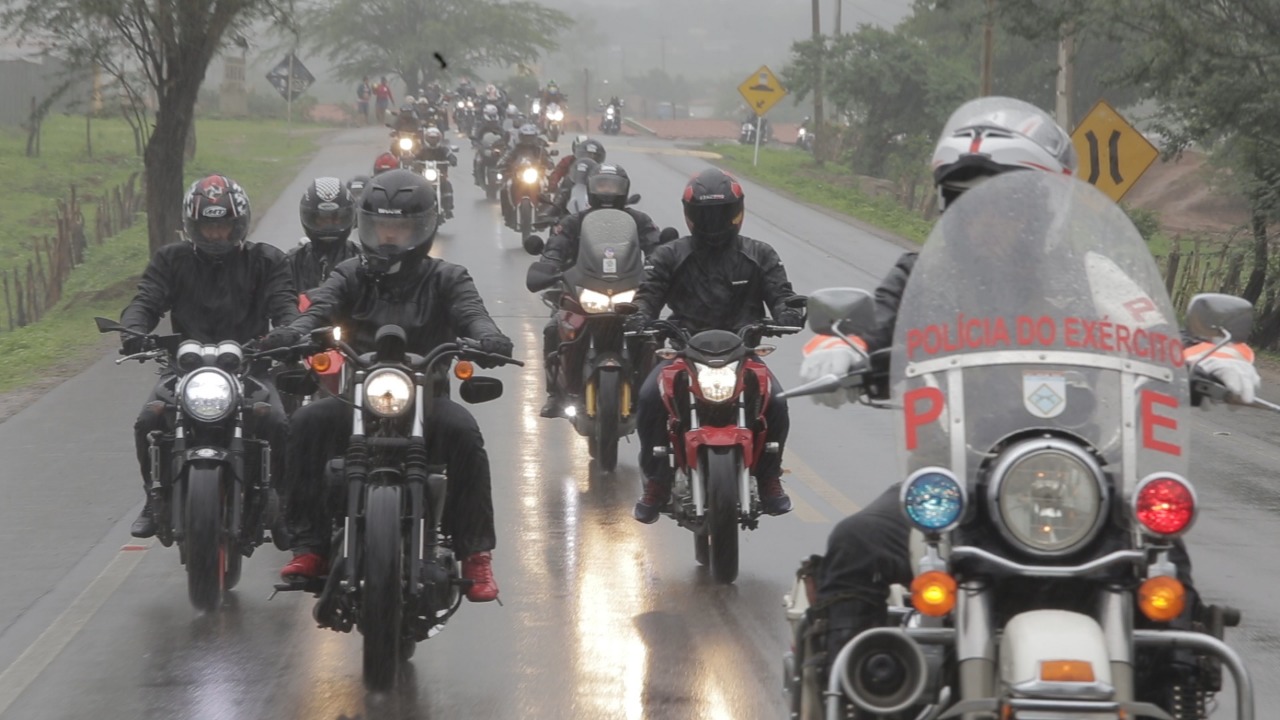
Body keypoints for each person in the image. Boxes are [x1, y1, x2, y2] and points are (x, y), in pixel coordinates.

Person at [799, 96, 1260, 706]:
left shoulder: (1091, 272)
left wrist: (1212, 356)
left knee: (1162, 555)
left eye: (1005, 203)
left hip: (1076, 479)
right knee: (857, 542)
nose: (985, 217)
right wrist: (844, 349)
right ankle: (852, 699)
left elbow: (1154, 330)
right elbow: (875, 323)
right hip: (956, 478)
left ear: (1044, 206)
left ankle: (1174, 696)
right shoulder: (924, 273)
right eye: (966, 199)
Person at [259, 169, 514, 603]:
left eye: (400, 227)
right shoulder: (349, 274)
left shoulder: (447, 277)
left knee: (466, 437)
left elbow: (473, 313)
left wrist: (489, 338)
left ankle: (476, 554)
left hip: (426, 402)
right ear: (366, 227)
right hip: (356, 399)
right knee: (303, 424)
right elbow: (319, 308)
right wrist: (293, 332)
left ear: (425, 227)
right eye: (381, 227)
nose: (390, 237)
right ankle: (310, 545)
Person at [119, 175, 296, 538]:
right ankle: (154, 497)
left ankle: (279, 498)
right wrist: (133, 330)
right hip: (184, 369)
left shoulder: (267, 261)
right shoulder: (171, 259)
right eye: (208, 226)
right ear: (192, 226)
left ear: (239, 224)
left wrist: (286, 333)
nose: (216, 234)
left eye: (224, 225)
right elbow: (146, 300)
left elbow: (286, 306)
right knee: (148, 420)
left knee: (277, 422)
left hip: (250, 367)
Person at [627, 167, 804, 523]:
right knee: (648, 399)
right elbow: (647, 295)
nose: (714, 221)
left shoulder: (760, 254)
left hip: (743, 352)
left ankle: (769, 477)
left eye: (721, 212)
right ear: (691, 216)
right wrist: (639, 316)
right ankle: (656, 483)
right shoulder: (669, 255)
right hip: (683, 350)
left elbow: (782, 295)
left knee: (778, 402)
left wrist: (788, 314)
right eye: (706, 214)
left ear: (736, 212)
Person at [537, 164, 663, 417]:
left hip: (628, 290)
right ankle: (555, 393)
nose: (608, 192)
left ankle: (654, 393)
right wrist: (550, 262)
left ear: (625, 190)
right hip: (584, 288)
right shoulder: (575, 220)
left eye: (613, 186)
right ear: (592, 188)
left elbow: (656, 247)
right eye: (602, 185)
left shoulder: (640, 220)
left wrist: (658, 264)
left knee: (655, 334)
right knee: (553, 328)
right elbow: (557, 244)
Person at [289, 177, 361, 294]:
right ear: (310, 218)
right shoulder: (291, 262)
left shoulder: (362, 260)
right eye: (322, 219)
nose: (329, 225)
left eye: (335, 218)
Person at [497, 124, 556, 228]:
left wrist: (549, 163)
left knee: (547, 187)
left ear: (534, 137)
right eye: (525, 136)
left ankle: (545, 213)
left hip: (536, 175)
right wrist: (502, 163)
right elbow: (505, 158)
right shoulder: (515, 149)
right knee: (505, 187)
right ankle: (508, 214)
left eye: (530, 136)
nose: (528, 139)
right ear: (521, 136)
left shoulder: (539, 149)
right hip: (517, 175)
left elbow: (548, 160)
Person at [419, 126, 457, 219]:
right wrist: (410, 160)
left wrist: (452, 160)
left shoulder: (443, 150)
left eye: (435, 139)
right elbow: (414, 156)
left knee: (447, 186)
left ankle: (448, 208)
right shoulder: (422, 150)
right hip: (423, 178)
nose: (433, 141)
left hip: (441, 176)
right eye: (430, 138)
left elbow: (450, 155)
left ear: (439, 139)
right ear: (426, 138)